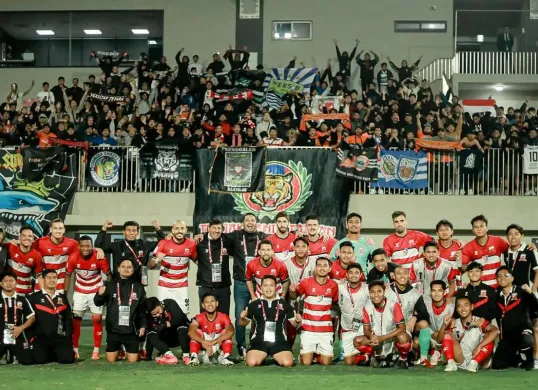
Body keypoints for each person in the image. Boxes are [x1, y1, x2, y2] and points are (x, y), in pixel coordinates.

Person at [65, 235, 111, 361]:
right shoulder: (73, 257)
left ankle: (95, 351)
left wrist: (107, 291)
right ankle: (75, 350)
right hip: (80, 292)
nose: (86, 248)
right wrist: (65, 293)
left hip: (95, 292)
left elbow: (109, 275)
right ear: (79, 246)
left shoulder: (99, 257)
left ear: (92, 247)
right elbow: (68, 275)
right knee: (76, 321)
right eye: (83, 246)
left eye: (88, 246)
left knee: (97, 319)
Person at [239, 275, 301, 367]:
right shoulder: (253, 305)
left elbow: (295, 324)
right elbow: (243, 324)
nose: (268, 288)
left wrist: (298, 321)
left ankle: (277, 356)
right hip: (259, 340)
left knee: (287, 363)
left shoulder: (285, 305)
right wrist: (242, 318)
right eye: (265, 285)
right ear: (261, 287)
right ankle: (261, 356)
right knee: (251, 363)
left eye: (271, 285)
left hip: (279, 340)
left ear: (276, 287)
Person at [94, 259, 147, 363]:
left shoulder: (139, 287)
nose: (126, 269)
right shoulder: (110, 285)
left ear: (133, 270)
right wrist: (99, 295)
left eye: (129, 267)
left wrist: (143, 325)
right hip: (114, 330)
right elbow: (98, 303)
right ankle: (119, 350)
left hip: (131, 331)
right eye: (123, 266)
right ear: (118, 269)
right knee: (110, 361)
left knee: (133, 361)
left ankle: (130, 350)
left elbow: (142, 309)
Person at [289, 257, 339, 366]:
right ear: (315, 268)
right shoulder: (306, 282)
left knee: (327, 363)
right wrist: (291, 290)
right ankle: (306, 355)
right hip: (308, 330)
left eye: (325, 265)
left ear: (329, 269)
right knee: (306, 363)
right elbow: (294, 297)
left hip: (325, 331)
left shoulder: (334, 285)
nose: (322, 268)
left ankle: (318, 354)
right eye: (319, 265)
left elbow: (336, 303)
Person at [354, 280, 412, 369]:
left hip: (393, 338)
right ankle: (377, 356)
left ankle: (402, 359)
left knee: (403, 338)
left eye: (379, 291)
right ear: (369, 293)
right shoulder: (367, 306)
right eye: (372, 292)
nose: (376, 295)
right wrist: (372, 337)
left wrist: (382, 338)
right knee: (357, 341)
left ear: (384, 292)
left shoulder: (393, 305)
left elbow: (402, 328)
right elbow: (366, 330)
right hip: (377, 339)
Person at [503, 223, 538, 365]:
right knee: (515, 326)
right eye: (510, 234)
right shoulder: (506, 253)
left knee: (534, 326)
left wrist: (533, 291)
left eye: (516, 233)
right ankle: (519, 357)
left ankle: (536, 358)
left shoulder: (530, 251)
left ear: (521, 236)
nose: (513, 236)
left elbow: (537, 271)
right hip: (513, 296)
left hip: (528, 294)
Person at [492, 266, 537, 370]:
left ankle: (529, 359)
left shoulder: (522, 291)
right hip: (507, 336)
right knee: (497, 365)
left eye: (506, 275)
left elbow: (536, 307)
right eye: (499, 276)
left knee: (526, 341)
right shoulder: (496, 295)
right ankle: (517, 357)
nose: (502, 278)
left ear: (512, 278)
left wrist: (531, 293)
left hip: (523, 331)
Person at [148, 221, 197, 315]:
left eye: (182, 228)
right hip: (164, 286)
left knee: (183, 314)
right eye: (177, 228)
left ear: (186, 230)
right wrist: (158, 259)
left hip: (181, 287)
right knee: (162, 313)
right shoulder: (163, 243)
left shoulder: (191, 244)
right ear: (172, 230)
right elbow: (150, 266)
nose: (179, 231)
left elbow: (197, 260)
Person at [95, 219, 165, 284]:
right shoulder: (117, 245)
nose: (131, 233)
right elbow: (98, 245)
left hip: (138, 283)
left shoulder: (144, 244)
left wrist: (158, 229)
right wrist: (104, 229)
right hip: (119, 282)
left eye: (134, 230)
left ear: (137, 232)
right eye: (128, 230)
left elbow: (162, 242)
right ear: (123, 232)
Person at [385, 265, 429, 366]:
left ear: (409, 275)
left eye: (405, 273)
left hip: (405, 328)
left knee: (424, 324)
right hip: (387, 327)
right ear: (393, 276)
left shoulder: (415, 293)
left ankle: (423, 358)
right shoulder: (386, 290)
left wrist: (414, 318)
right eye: (399, 273)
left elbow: (425, 313)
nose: (402, 276)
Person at [442, 294, 499, 373]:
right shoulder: (454, 322)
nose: (463, 309)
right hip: (461, 360)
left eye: (466, 305)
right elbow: (440, 340)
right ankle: (451, 363)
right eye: (459, 306)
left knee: (489, 336)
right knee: (447, 334)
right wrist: (444, 325)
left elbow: (496, 331)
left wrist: (479, 346)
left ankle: (474, 363)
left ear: (472, 307)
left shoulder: (479, 321)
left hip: (479, 360)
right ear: (457, 309)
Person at [29, 270, 74, 364]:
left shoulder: (63, 298)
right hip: (41, 338)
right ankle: (48, 353)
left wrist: (68, 338)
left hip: (58, 338)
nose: (52, 280)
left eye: (54, 277)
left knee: (68, 359)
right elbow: (29, 320)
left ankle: (53, 352)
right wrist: (31, 338)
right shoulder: (34, 298)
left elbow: (68, 320)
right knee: (39, 360)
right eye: (49, 278)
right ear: (43, 279)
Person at [194, 219, 233, 315]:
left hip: (223, 286)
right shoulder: (200, 241)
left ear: (222, 230)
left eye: (219, 228)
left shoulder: (227, 241)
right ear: (208, 229)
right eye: (214, 228)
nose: (216, 230)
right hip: (206, 285)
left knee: (224, 315)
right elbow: (192, 256)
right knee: (205, 315)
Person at [33, 219, 81, 294]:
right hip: (41, 286)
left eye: (60, 228)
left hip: (60, 287)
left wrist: (99, 250)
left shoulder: (72, 244)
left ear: (64, 230)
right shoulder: (39, 243)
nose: (58, 231)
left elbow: (87, 249)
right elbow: (25, 247)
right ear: (51, 229)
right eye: (55, 228)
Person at [461, 215, 510, 287]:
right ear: (472, 230)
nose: (479, 229)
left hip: (498, 287)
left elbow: (513, 251)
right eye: (476, 227)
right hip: (480, 289)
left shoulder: (498, 241)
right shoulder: (468, 247)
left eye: (481, 226)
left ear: (486, 228)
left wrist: (528, 246)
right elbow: (463, 269)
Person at [188, 293, 235, 366]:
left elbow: (231, 331)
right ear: (203, 305)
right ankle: (194, 357)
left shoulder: (224, 316)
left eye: (212, 301)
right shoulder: (199, 317)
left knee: (226, 332)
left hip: (218, 352)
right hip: (204, 352)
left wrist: (214, 342)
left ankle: (226, 358)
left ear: (217, 303)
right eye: (207, 302)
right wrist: (204, 342)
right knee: (196, 332)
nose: (210, 304)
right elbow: (190, 332)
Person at [0, 271, 35, 365]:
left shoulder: (22, 299)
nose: (8, 283)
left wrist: (21, 328)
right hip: (0, 335)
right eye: (5, 281)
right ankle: (6, 352)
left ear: (16, 283)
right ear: (1, 284)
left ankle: (12, 353)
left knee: (28, 361)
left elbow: (32, 317)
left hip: (17, 334)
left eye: (11, 280)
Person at [338, 264, 369, 366]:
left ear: (361, 275)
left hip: (363, 327)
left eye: (356, 273)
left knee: (367, 339)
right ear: (346, 274)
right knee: (348, 362)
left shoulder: (367, 288)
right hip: (347, 330)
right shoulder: (340, 288)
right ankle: (365, 357)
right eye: (351, 273)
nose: (354, 275)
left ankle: (373, 353)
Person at [145, 297, 191, 365]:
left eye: (158, 311)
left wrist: (167, 324)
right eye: (154, 314)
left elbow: (180, 318)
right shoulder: (149, 316)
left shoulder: (170, 303)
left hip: (180, 337)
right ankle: (169, 356)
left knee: (182, 326)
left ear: (160, 304)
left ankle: (186, 356)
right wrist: (148, 355)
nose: (157, 315)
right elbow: (150, 335)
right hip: (166, 341)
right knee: (151, 333)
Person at [419, 280, 454, 367]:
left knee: (446, 334)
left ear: (444, 292)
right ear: (430, 292)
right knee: (416, 342)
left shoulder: (451, 307)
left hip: (444, 337)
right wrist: (431, 333)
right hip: (431, 336)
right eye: (434, 291)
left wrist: (439, 333)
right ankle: (429, 355)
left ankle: (440, 352)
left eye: (439, 290)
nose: (436, 294)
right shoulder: (425, 304)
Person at [5, 226, 43, 296]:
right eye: (24, 236)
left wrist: (43, 294)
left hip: (27, 293)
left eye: (30, 236)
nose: (27, 238)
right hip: (9, 292)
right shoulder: (10, 247)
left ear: (33, 239)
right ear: (19, 237)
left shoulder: (37, 255)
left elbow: (39, 277)